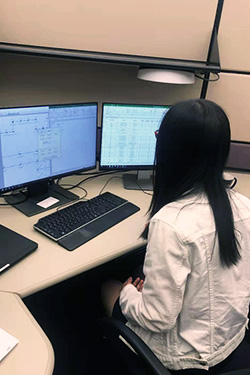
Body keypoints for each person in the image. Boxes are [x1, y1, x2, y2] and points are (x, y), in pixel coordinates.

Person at [101, 99, 250, 374]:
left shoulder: (171, 224)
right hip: (232, 339)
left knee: (106, 286)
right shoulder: (244, 205)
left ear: (170, 149)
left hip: (186, 357)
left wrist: (129, 293)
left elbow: (157, 319)